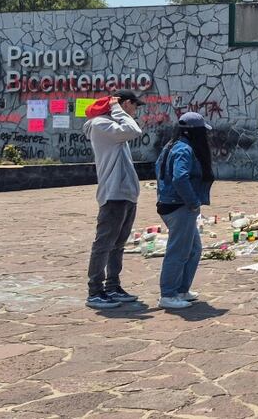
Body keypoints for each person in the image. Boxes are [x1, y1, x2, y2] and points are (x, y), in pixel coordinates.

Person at [83, 89, 146, 310]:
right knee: (104, 244)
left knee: (118, 245)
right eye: (134, 105)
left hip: (126, 193)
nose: (135, 110)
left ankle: (112, 286)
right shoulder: (102, 125)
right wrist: (117, 108)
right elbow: (134, 130)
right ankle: (95, 291)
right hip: (113, 194)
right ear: (125, 103)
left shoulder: (114, 127)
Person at [155, 112, 214, 310]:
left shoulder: (171, 145)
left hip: (172, 204)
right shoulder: (184, 150)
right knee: (179, 251)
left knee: (194, 249)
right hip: (179, 206)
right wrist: (193, 201)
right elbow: (180, 178)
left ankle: (181, 290)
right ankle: (168, 294)